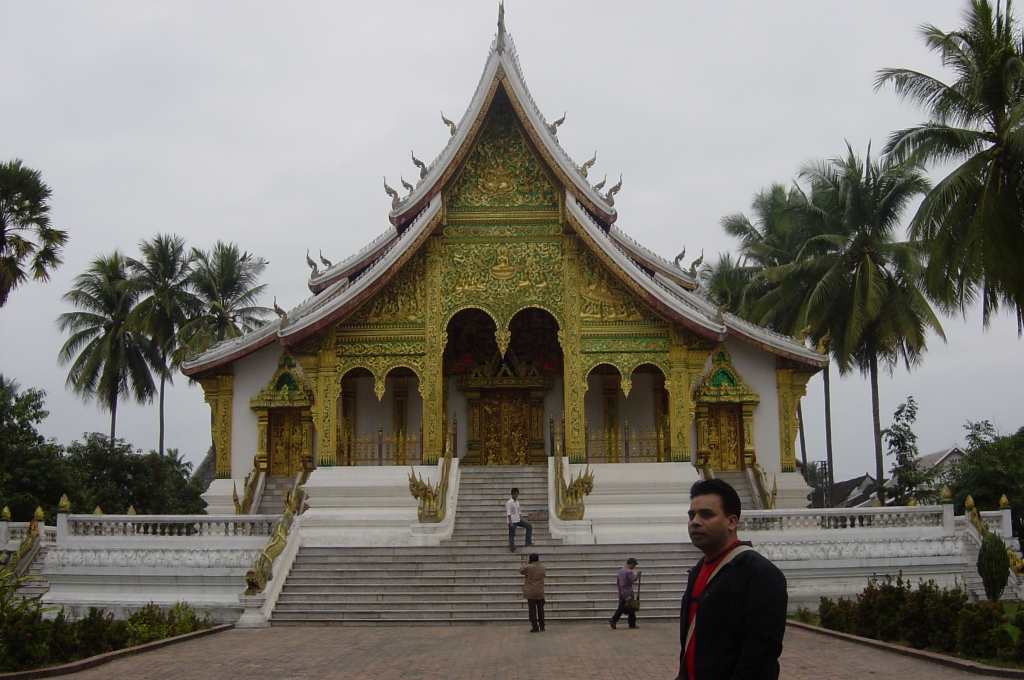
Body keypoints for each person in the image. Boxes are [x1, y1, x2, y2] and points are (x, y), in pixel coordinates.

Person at [676, 479, 787, 680]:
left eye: (706, 515)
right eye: (692, 515)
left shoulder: (760, 574)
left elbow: (760, 656)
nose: (695, 522)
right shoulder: (698, 571)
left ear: (732, 521)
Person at [609, 557, 641, 629]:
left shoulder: (621, 571)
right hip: (628, 592)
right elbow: (632, 581)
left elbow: (618, 582)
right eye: (634, 565)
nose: (634, 567)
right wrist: (637, 575)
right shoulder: (629, 572)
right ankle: (615, 619)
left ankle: (631, 623)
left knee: (626, 608)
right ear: (632, 564)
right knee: (629, 607)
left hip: (621, 591)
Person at [519, 552, 546, 632]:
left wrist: (527, 563)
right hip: (540, 591)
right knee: (541, 609)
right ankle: (542, 625)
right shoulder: (543, 567)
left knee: (532, 610)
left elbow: (521, 571)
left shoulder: (528, 567)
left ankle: (535, 626)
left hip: (531, 591)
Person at [506, 487, 533, 553]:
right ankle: (512, 548)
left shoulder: (517, 502)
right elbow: (508, 513)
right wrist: (510, 522)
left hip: (518, 519)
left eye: (517, 494)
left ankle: (528, 541)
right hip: (512, 521)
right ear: (512, 494)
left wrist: (521, 518)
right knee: (512, 535)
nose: (516, 496)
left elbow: (518, 511)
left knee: (529, 526)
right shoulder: (509, 503)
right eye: (515, 494)